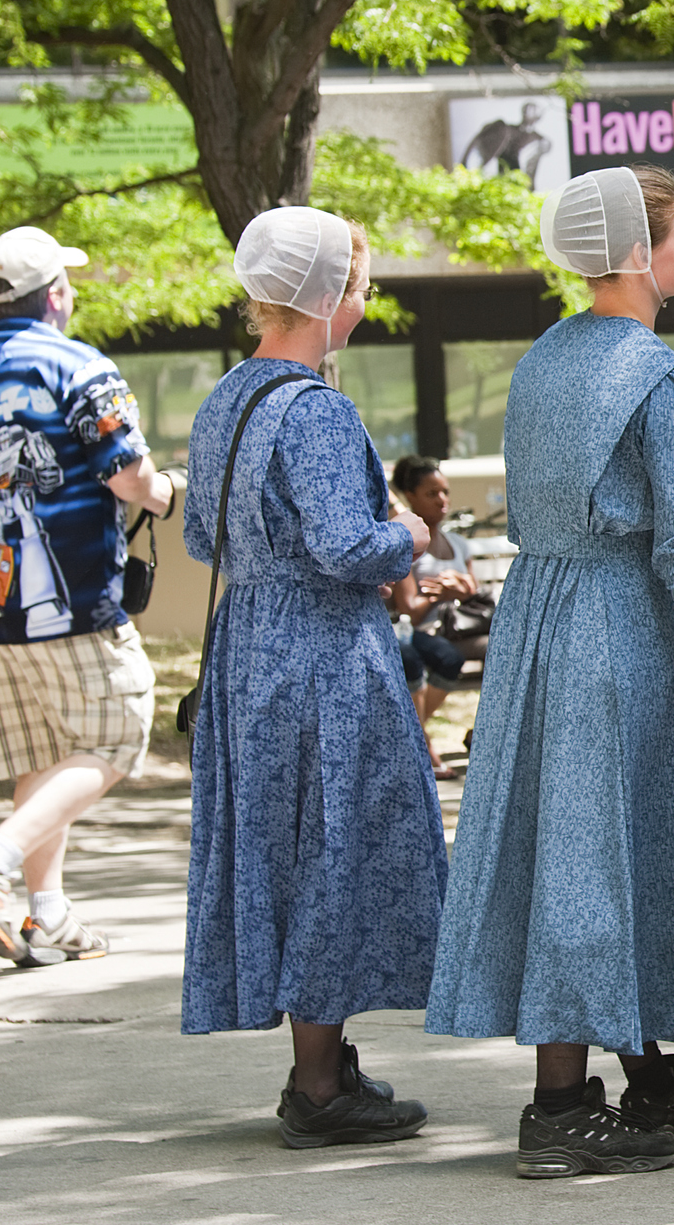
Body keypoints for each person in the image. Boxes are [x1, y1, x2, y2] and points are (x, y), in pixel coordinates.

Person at [425, 166, 674, 1178]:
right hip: (616, 621)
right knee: (603, 846)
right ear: (638, 254)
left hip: (537, 615)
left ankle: (648, 1072)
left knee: (594, 839)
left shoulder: (542, 359)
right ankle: (559, 1105)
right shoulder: (657, 375)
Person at [181, 206, 445, 1148]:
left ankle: (321, 1063)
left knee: (282, 848)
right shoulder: (318, 409)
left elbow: (199, 536)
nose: (365, 302)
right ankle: (323, 1083)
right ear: (328, 295)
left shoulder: (224, 401)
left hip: (247, 646)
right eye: (361, 286)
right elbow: (348, 548)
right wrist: (408, 534)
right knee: (337, 843)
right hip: (325, 652)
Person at [0, 226, 173, 967]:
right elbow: (128, 476)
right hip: (65, 589)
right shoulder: (76, 364)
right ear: (57, 296)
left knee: (42, 752)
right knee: (115, 732)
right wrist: (165, 495)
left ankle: (49, 915)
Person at [387, 453, 483, 777]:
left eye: (445, 492)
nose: (442, 500)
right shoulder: (406, 543)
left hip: (458, 629)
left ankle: (483, 734)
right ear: (410, 497)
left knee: (505, 649)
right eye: (431, 493)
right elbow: (409, 611)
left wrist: (461, 591)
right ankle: (420, 742)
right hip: (420, 631)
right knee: (429, 657)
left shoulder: (458, 544)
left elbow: (473, 594)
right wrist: (439, 593)